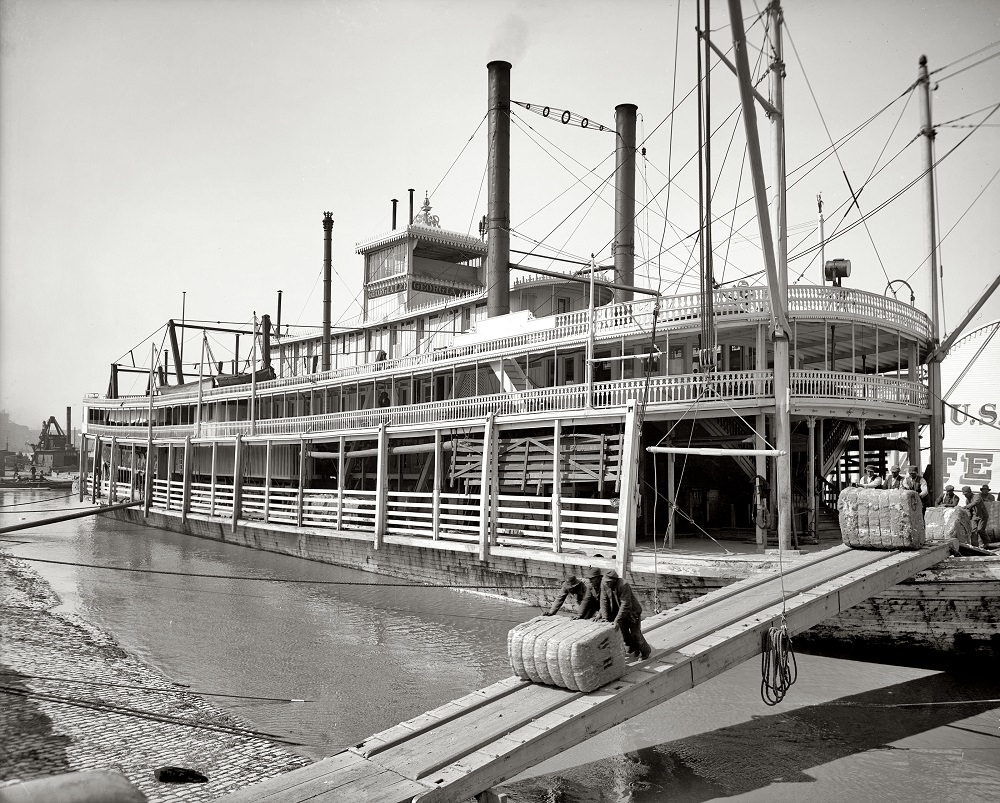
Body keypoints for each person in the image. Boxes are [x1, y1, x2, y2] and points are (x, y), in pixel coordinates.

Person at [597, 569, 651, 660]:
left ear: (614, 580)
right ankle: (634, 648)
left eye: (609, 582)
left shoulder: (623, 584)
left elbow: (625, 604)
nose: (607, 584)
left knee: (635, 633)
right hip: (619, 612)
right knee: (623, 633)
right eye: (606, 582)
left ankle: (646, 650)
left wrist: (617, 621)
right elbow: (604, 601)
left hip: (632, 612)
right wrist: (605, 618)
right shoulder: (604, 583)